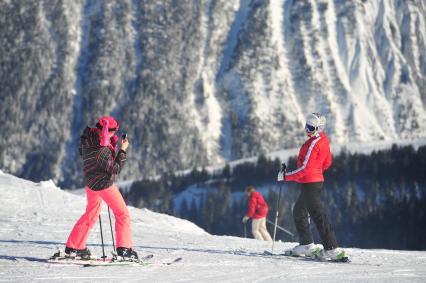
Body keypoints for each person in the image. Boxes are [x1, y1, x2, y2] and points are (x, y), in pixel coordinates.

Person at [64, 115, 138, 260]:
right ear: (107, 131)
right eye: (113, 132)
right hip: (104, 184)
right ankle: (124, 250)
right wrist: (122, 150)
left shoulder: (88, 139)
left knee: (91, 214)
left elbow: (83, 154)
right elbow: (115, 169)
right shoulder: (102, 150)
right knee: (122, 214)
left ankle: (74, 246)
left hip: (90, 183)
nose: (115, 134)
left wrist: (109, 143)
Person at [277, 113, 346, 261]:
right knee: (299, 211)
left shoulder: (314, 143)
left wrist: (285, 176)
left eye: (310, 128)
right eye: (306, 126)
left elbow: (304, 169)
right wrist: (316, 172)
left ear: (318, 128)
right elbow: (327, 163)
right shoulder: (323, 140)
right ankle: (307, 245)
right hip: (314, 182)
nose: (306, 130)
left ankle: (332, 249)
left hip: (311, 183)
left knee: (318, 215)